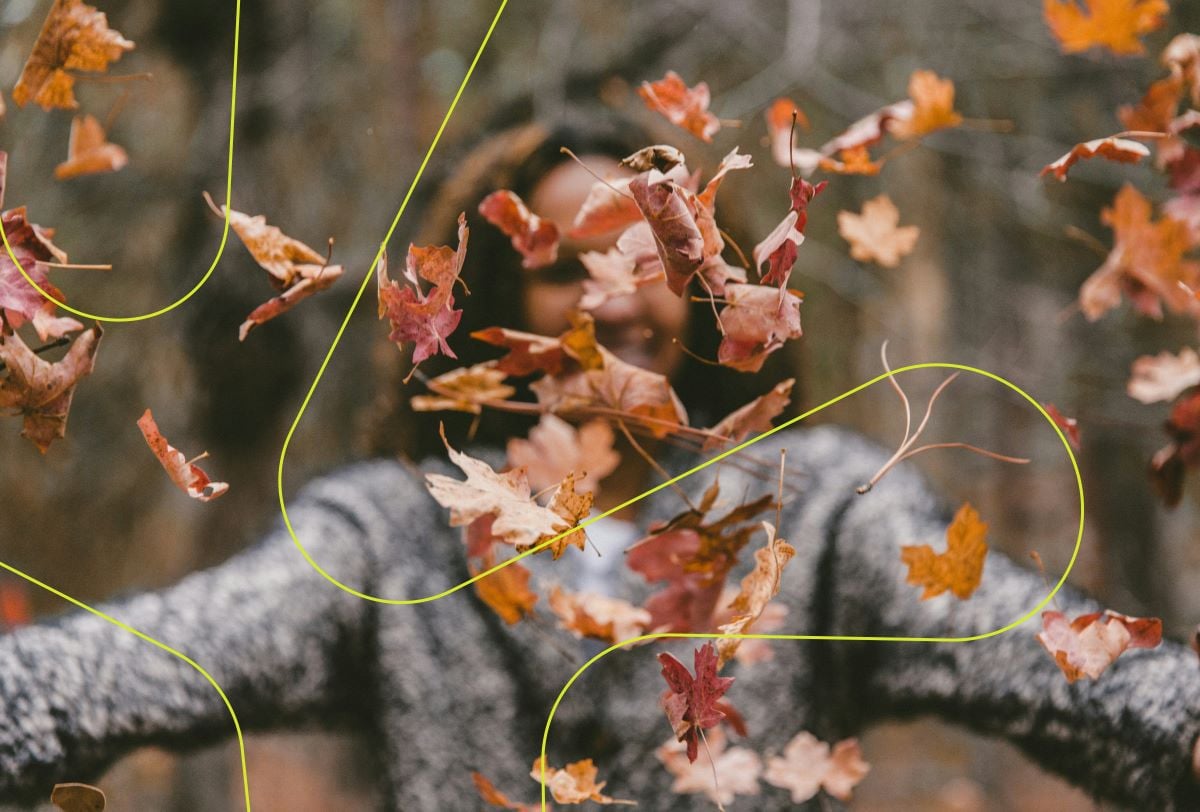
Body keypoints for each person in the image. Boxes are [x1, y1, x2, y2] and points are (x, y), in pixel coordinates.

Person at [2, 105, 1200, 812]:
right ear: (488, 305)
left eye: (650, 259)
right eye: (566, 263)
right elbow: (137, 664)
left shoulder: (818, 509)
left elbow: (1077, 684)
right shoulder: (395, 534)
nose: (616, 299)